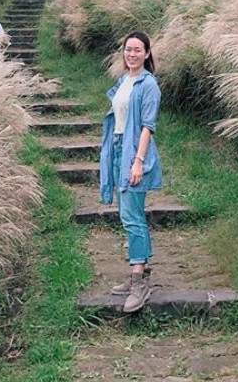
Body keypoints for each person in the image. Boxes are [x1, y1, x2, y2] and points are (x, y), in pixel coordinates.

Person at [99, 30, 162, 312]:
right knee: (127, 215)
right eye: (128, 49)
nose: (132, 54)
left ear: (147, 54)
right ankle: (141, 270)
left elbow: (148, 125)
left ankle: (139, 281)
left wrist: (138, 161)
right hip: (117, 149)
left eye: (138, 50)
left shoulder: (149, 85)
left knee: (132, 216)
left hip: (134, 152)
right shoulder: (124, 80)